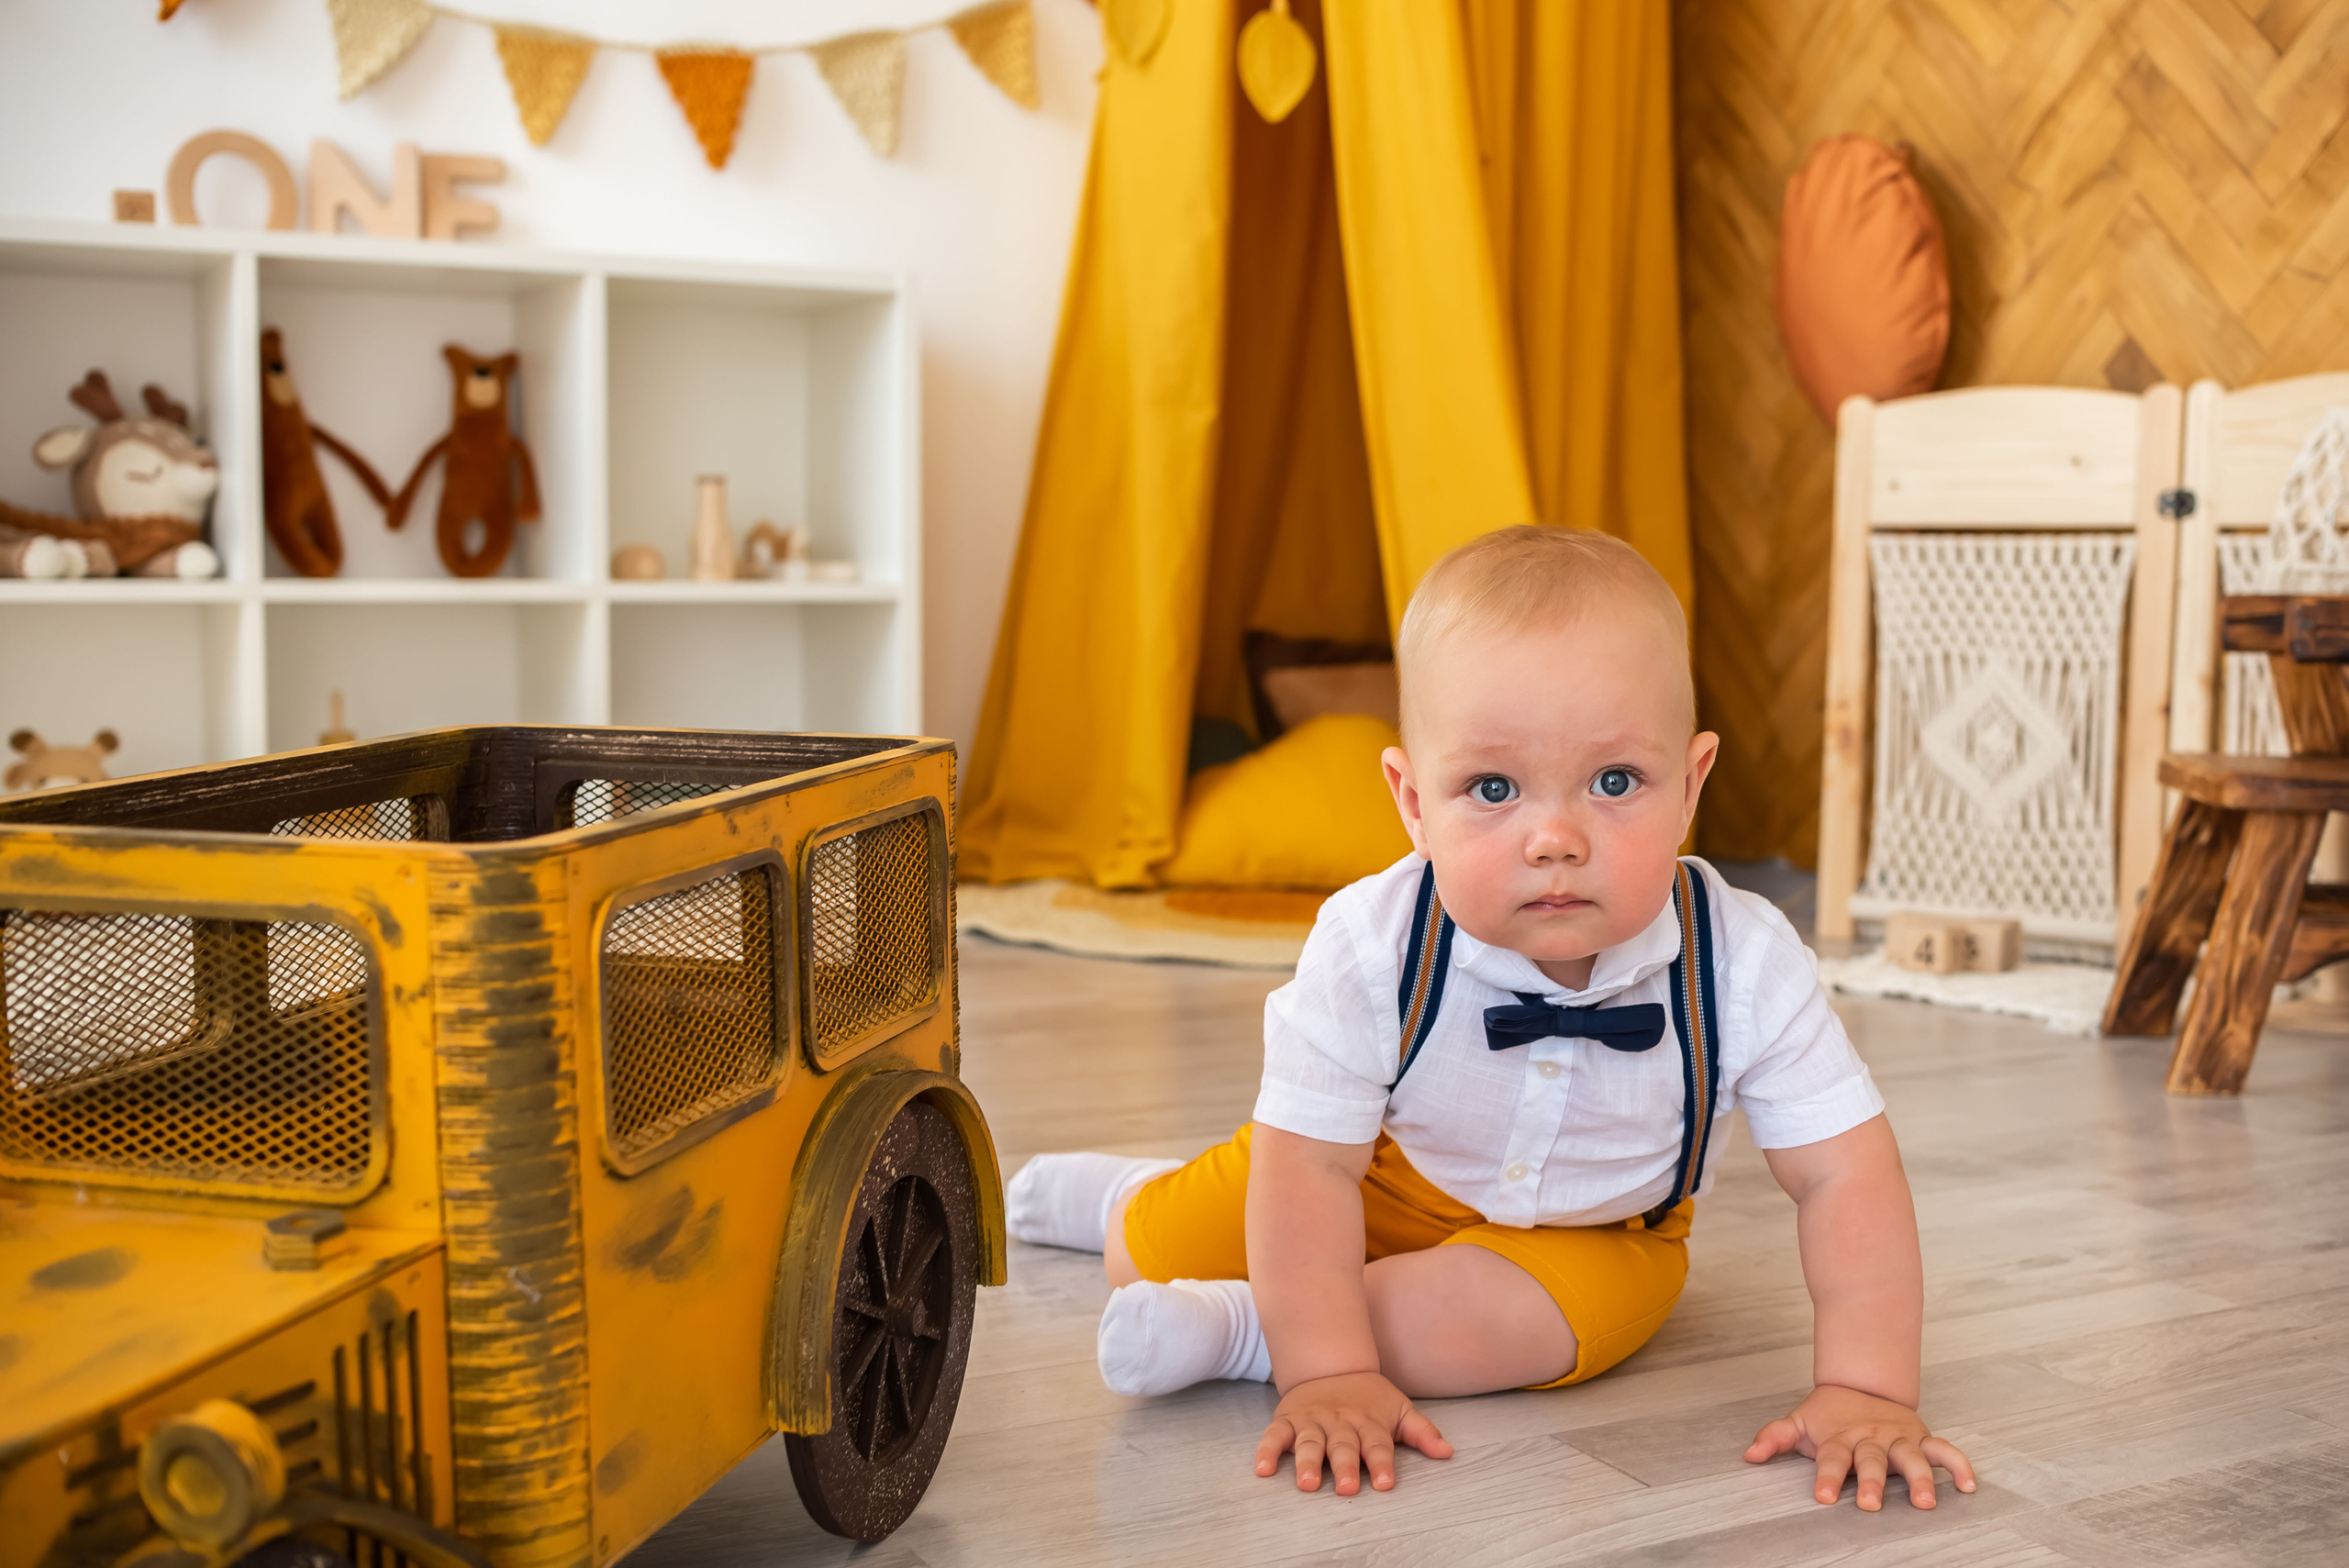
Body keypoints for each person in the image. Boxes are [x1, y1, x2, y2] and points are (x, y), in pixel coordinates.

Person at [1007, 526, 1977, 1512]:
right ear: (1412, 801)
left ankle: (1244, 1330)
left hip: (1599, 1232)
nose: (1554, 838)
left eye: (1613, 782)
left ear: (1690, 784)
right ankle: (1130, 1196)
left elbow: (1844, 1173)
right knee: (1153, 1249)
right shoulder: (1370, 942)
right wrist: (1327, 1355)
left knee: (1495, 1329)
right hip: (1380, 1172)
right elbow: (1309, 1168)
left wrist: (1867, 1387)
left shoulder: (1747, 959)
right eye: (1493, 788)